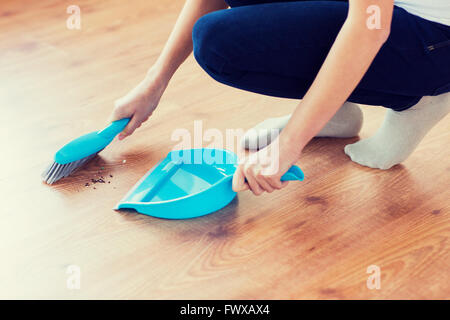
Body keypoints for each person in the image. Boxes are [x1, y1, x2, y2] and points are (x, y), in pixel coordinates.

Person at [110, 0, 450, 195]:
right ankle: (335, 112)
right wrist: (154, 83)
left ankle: (416, 100)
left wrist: (289, 144)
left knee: (218, 43)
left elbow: (370, 27)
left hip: (435, 39)